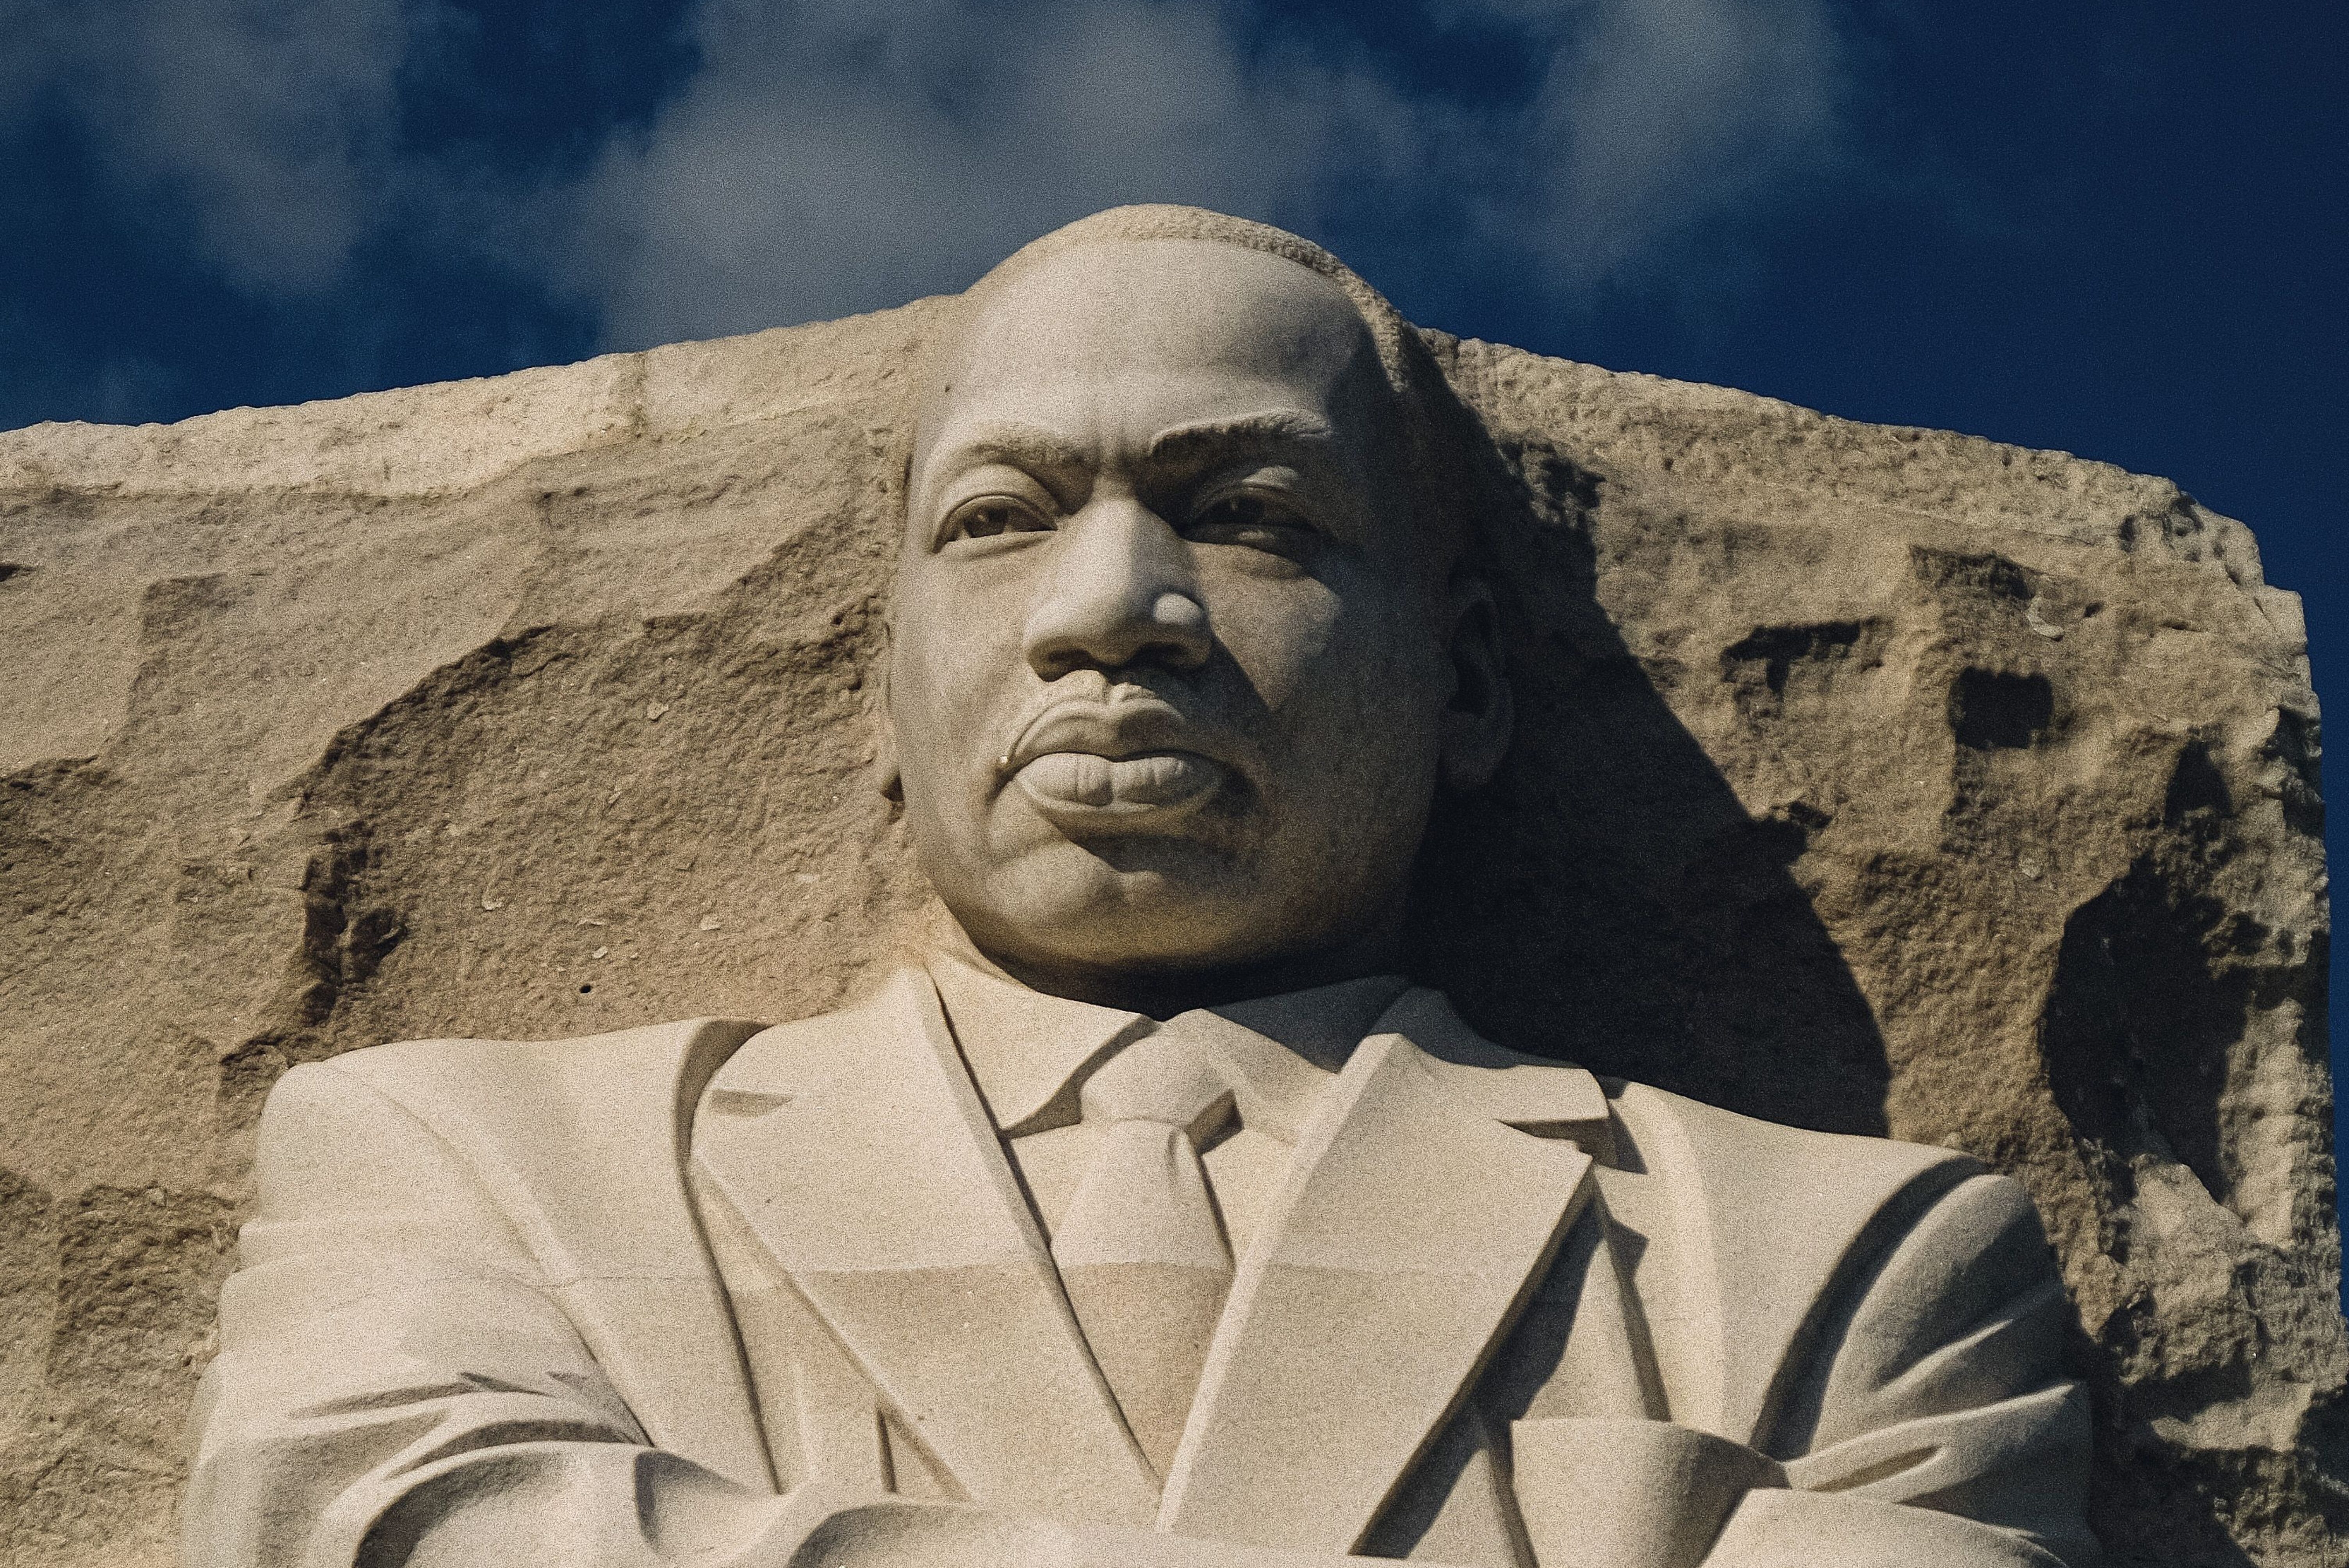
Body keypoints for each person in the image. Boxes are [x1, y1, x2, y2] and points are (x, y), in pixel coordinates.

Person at [184, 207, 2098, 1568]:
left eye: (1249, 513)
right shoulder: (476, 1169)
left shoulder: (1838, 1263)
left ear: (1468, 680)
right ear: (883, 688)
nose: (1107, 609)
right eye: (1000, 519)